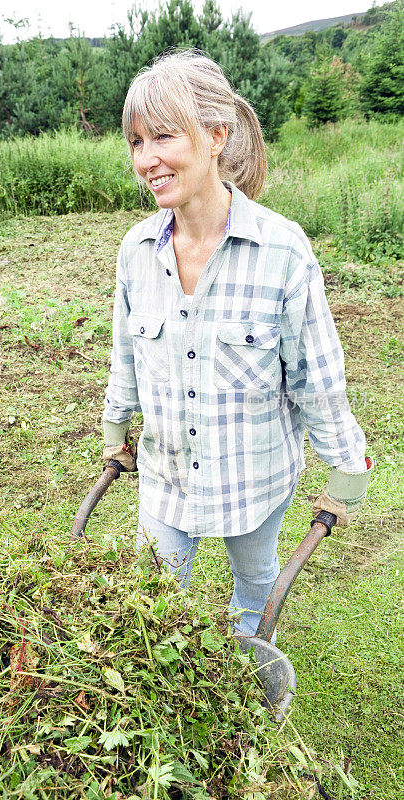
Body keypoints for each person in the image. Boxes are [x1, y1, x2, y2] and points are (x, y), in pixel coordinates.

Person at [101, 51, 372, 640]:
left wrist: (346, 471)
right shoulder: (135, 252)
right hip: (165, 474)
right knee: (154, 599)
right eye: (136, 141)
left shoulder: (281, 250)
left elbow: (316, 380)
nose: (146, 159)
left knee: (254, 580)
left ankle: (248, 661)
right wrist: (115, 433)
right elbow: (126, 358)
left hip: (255, 477)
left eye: (164, 136)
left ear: (217, 135)